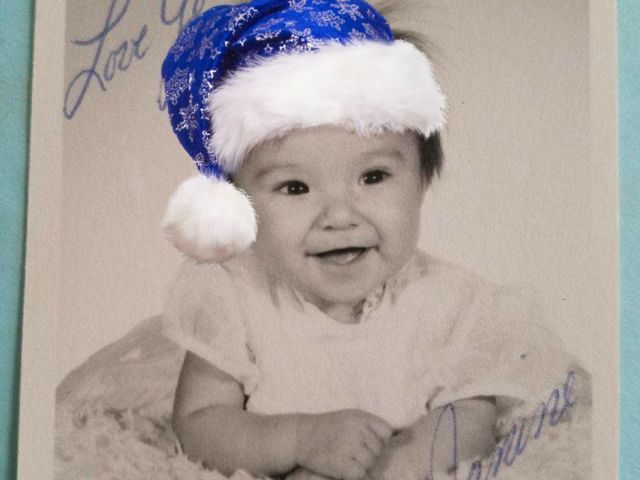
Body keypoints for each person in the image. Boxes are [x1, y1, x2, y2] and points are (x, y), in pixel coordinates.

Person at [160, 1, 574, 479]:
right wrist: (298, 439)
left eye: (373, 177)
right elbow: (199, 423)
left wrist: (403, 464)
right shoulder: (234, 299)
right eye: (295, 187)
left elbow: (471, 416)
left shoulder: (449, 303)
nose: (340, 217)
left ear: (422, 181)